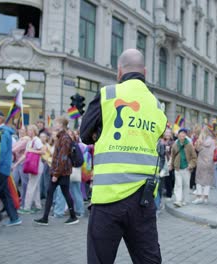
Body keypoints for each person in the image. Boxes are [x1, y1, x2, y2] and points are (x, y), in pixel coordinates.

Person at [80, 49, 167, 264]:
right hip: (143, 199)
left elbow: (84, 135)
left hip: (108, 198)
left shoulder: (108, 94)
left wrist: (100, 131)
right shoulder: (157, 106)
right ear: (144, 72)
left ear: (119, 71)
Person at [34, 117, 79, 225]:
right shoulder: (62, 137)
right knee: (56, 193)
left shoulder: (65, 138)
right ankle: (46, 218)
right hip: (60, 171)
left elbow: (62, 158)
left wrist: (56, 174)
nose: (54, 125)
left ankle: (72, 216)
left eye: (56, 123)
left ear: (61, 125)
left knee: (61, 193)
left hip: (61, 172)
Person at [0, 111, 21, 226]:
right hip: (3, 167)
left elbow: (2, 151)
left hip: (1, 167)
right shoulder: (2, 131)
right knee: (5, 194)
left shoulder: (3, 132)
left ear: (0, 119)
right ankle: (14, 218)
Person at [15, 125, 44, 214]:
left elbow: (42, 151)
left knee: (31, 186)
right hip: (33, 165)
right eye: (28, 130)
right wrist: (16, 163)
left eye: (30, 130)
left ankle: (27, 207)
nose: (29, 132)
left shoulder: (37, 140)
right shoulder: (30, 141)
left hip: (37, 164)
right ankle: (38, 205)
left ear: (34, 131)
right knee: (35, 186)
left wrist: (32, 151)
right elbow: (25, 154)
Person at [170, 128, 197, 207]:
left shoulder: (189, 145)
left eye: (184, 133)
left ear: (186, 135)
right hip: (177, 168)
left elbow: (194, 157)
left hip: (186, 168)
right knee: (178, 185)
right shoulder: (175, 145)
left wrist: (191, 165)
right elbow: (172, 156)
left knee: (186, 185)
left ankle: (185, 200)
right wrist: (171, 165)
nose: (182, 135)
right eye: (181, 133)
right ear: (178, 135)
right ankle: (178, 200)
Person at [192, 127, 215, 204]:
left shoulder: (201, 141)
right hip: (209, 162)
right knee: (207, 180)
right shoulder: (212, 141)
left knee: (199, 179)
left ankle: (199, 197)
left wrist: (197, 143)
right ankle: (205, 198)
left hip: (201, 162)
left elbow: (197, 149)